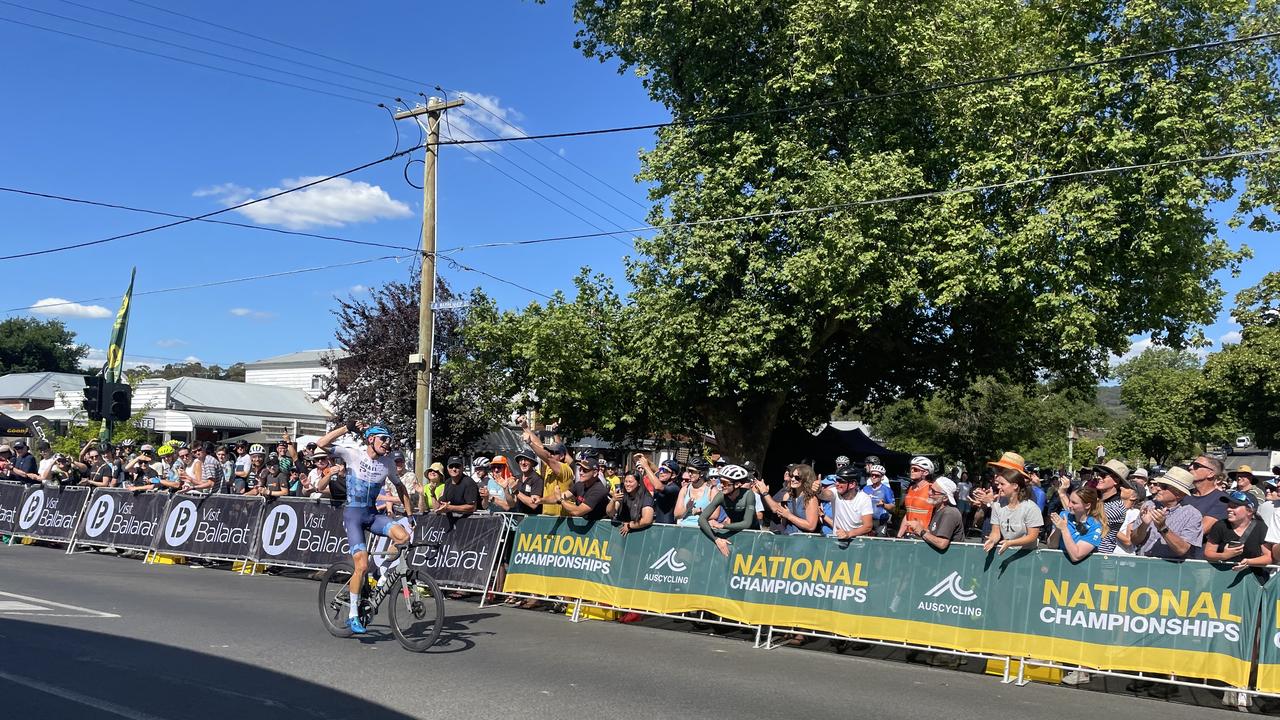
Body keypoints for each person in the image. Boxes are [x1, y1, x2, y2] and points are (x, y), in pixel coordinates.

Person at [314, 420, 412, 635]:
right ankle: (353, 615)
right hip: (353, 515)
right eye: (383, 439)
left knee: (403, 538)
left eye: (389, 440)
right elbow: (321, 443)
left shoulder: (387, 463)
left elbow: (401, 487)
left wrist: (410, 514)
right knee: (361, 566)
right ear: (371, 439)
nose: (387, 443)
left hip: (372, 514)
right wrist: (347, 427)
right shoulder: (353, 454)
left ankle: (382, 574)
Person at [1128, 467, 1203, 560]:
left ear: (1179, 494)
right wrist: (1144, 525)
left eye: (1164, 486)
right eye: (1159, 484)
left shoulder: (1192, 515)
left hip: (1171, 570)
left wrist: (1163, 528)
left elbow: (1183, 550)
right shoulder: (1149, 505)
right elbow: (1134, 540)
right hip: (1143, 566)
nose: (1158, 488)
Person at [983, 452, 1042, 554]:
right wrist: (992, 539)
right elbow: (995, 531)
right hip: (1002, 551)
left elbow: (1032, 535)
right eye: (998, 471)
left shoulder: (1030, 503)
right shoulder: (999, 503)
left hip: (1025, 556)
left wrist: (1010, 543)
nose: (997, 476)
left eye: (1002, 471)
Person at [1203, 490, 1271, 578]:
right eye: (1228, 506)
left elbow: (1268, 558)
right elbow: (1208, 553)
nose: (1228, 509)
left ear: (1250, 511)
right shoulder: (1220, 525)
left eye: (1234, 506)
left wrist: (1248, 562)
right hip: (1222, 578)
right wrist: (1224, 555)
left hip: (1252, 579)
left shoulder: (1260, 527)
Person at [699, 465, 758, 557]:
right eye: (721, 482)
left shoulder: (748, 494)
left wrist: (722, 525)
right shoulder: (721, 495)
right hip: (734, 531)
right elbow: (702, 519)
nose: (721, 485)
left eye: (725, 483)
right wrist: (716, 539)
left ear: (737, 484)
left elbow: (747, 523)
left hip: (753, 535)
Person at [519, 419, 573, 518]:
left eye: (553, 453)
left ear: (561, 456)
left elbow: (547, 457)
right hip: (546, 520)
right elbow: (540, 446)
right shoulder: (548, 468)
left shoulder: (565, 469)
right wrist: (525, 427)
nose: (550, 454)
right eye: (549, 452)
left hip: (563, 520)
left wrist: (530, 443)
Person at [757, 464, 821, 534]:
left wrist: (788, 516)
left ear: (806, 479)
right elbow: (776, 508)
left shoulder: (811, 499)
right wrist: (764, 493)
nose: (793, 479)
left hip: (803, 542)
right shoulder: (789, 496)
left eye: (797, 477)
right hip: (787, 539)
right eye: (792, 476)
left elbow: (811, 526)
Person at [1048, 485, 1105, 563]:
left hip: (1082, 571)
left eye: (1074, 503)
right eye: (1070, 501)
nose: (1069, 505)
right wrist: (1058, 529)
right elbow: (1052, 546)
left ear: (1087, 505)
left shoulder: (1094, 527)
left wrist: (1064, 529)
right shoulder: (1064, 515)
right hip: (1059, 565)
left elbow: (1076, 556)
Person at [1086, 459, 1130, 554]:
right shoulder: (1098, 501)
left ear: (1116, 481)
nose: (1098, 477)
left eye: (1103, 475)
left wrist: (1063, 495)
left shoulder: (1117, 508)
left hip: (1101, 560)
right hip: (1087, 556)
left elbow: (1086, 521)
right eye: (1098, 474)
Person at [821, 465, 875, 540]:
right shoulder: (835, 492)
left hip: (857, 543)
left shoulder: (864, 498)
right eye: (836, 480)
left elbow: (868, 526)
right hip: (837, 541)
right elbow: (825, 495)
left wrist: (849, 534)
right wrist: (819, 491)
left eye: (841, 481)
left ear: (852, 484)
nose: (836, 484)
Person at [1185, 454, 1229, 539]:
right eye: (1191, 464)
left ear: (1210, 474)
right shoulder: (1184, 495)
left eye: (1197, 466)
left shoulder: (1222, 500)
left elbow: (1199, 531)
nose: (1190, 467)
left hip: (1199, 551)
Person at [898, 456, 936, 538]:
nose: (912, 471)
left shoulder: (932, 489)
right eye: (911, 469)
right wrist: (899, 535)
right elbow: (908, 514)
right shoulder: (911, 488)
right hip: (908, 534)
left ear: (925, 473)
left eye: (915, 469)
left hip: (923, 536)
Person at [609, 469, 654, 536]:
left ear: (639, 483)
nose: (627, 484)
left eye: (630, 482)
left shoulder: (646, 497)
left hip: (639, 535)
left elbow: (647, 520)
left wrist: (630, 525)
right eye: (626, 481)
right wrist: (613, 500)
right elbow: (610, 513)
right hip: (620, 534)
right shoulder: (622, 493)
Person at [674, 458, 715, 527]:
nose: (689, 474)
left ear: (701, 473)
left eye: (692, 471)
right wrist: (687, 508)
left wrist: (701, 512)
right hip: (685, 528)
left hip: (702, 529)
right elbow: (677, 515)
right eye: (688, 471)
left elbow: (715, 515)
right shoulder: (685, 489)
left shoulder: (712, 490)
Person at [1111, 485, 1147, 556]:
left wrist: (1110, 525)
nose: (1121, 487)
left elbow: (1128, 541)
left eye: (1127, 487)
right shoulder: (1116, 509)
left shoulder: (1134, 513)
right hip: (1108, 553)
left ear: (1133, 496)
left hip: (1123, 556)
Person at [862, 464, 896, 536]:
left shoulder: (887, 490)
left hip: (880, 521)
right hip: (866, 520)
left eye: (877, 475)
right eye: (872, 475)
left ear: (882, 477)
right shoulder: (865, 488)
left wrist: (883, 505)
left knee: (879, 542)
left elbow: (893, 507)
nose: (874, 477)